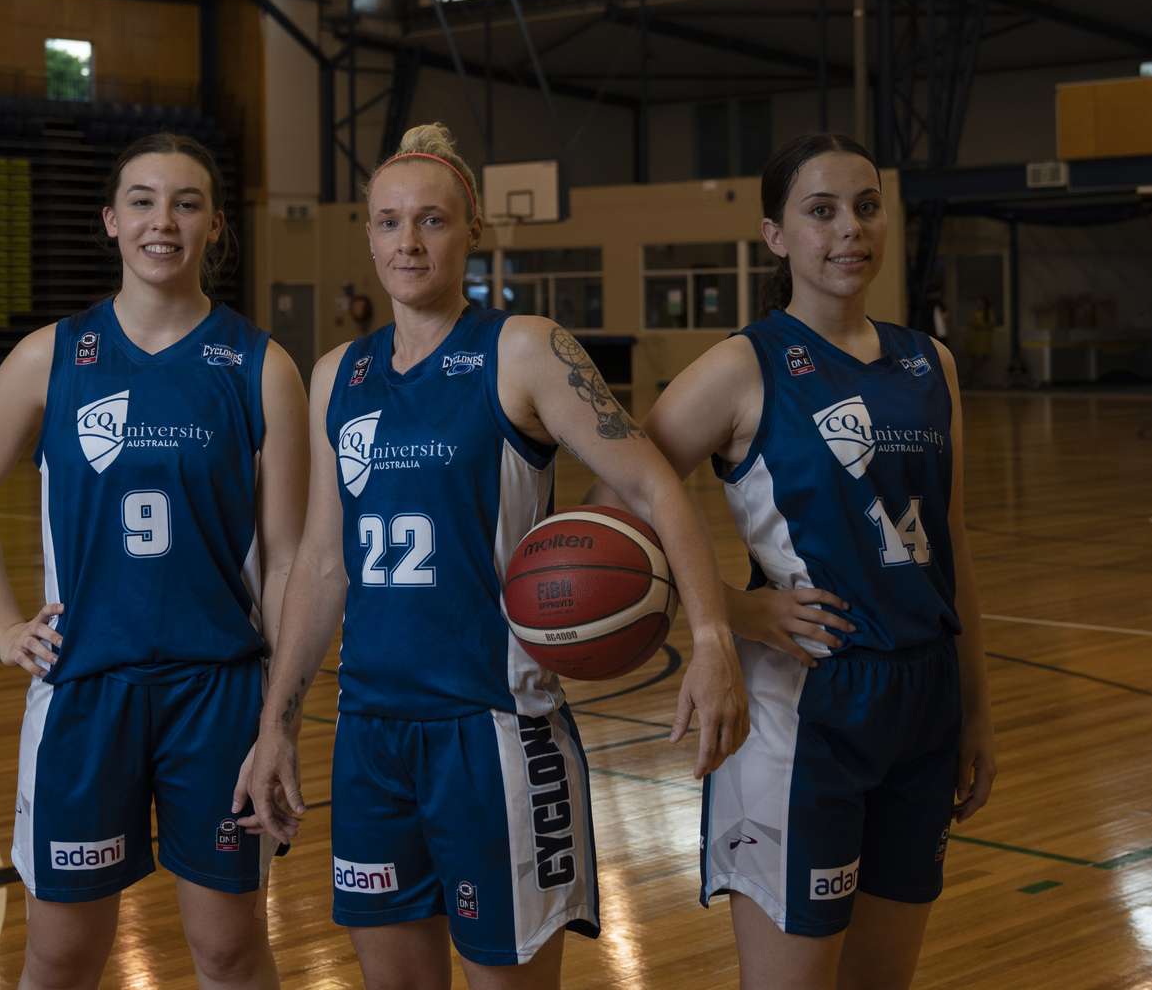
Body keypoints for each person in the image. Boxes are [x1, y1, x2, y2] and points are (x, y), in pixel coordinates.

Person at [235, 122, 748, 989]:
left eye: (432, 221)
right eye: (389, 221)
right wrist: (275, 727)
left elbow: (659, 487)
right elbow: (324, 564)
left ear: (473, 231)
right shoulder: (338, 377)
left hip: (498, 733)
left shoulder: (522, 351)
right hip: (370, 735)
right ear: (366, 232)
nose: (408, 241)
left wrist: (715, 636)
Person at [593, 133, 996, 989]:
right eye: (821, 211)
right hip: (804, 710)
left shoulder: (933, 365)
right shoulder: (742, 367)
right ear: (776, 236)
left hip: (922, 705)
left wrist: (975, 712)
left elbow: (952, 547)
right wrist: (731, 614)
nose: (849, 229)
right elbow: (611, 525)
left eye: (866, 205)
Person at [0, 133, 308, 990]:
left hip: (217, 694)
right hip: (85, 692)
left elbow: (290, 562)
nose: (163, 222)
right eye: (142, 201)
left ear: (215, 225)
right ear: (111, 220)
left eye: (186, 203)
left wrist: (280, 719)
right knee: (63, 955)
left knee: (227, 950)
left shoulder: (259, 368)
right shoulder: (53, 356)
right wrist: (1, 625)